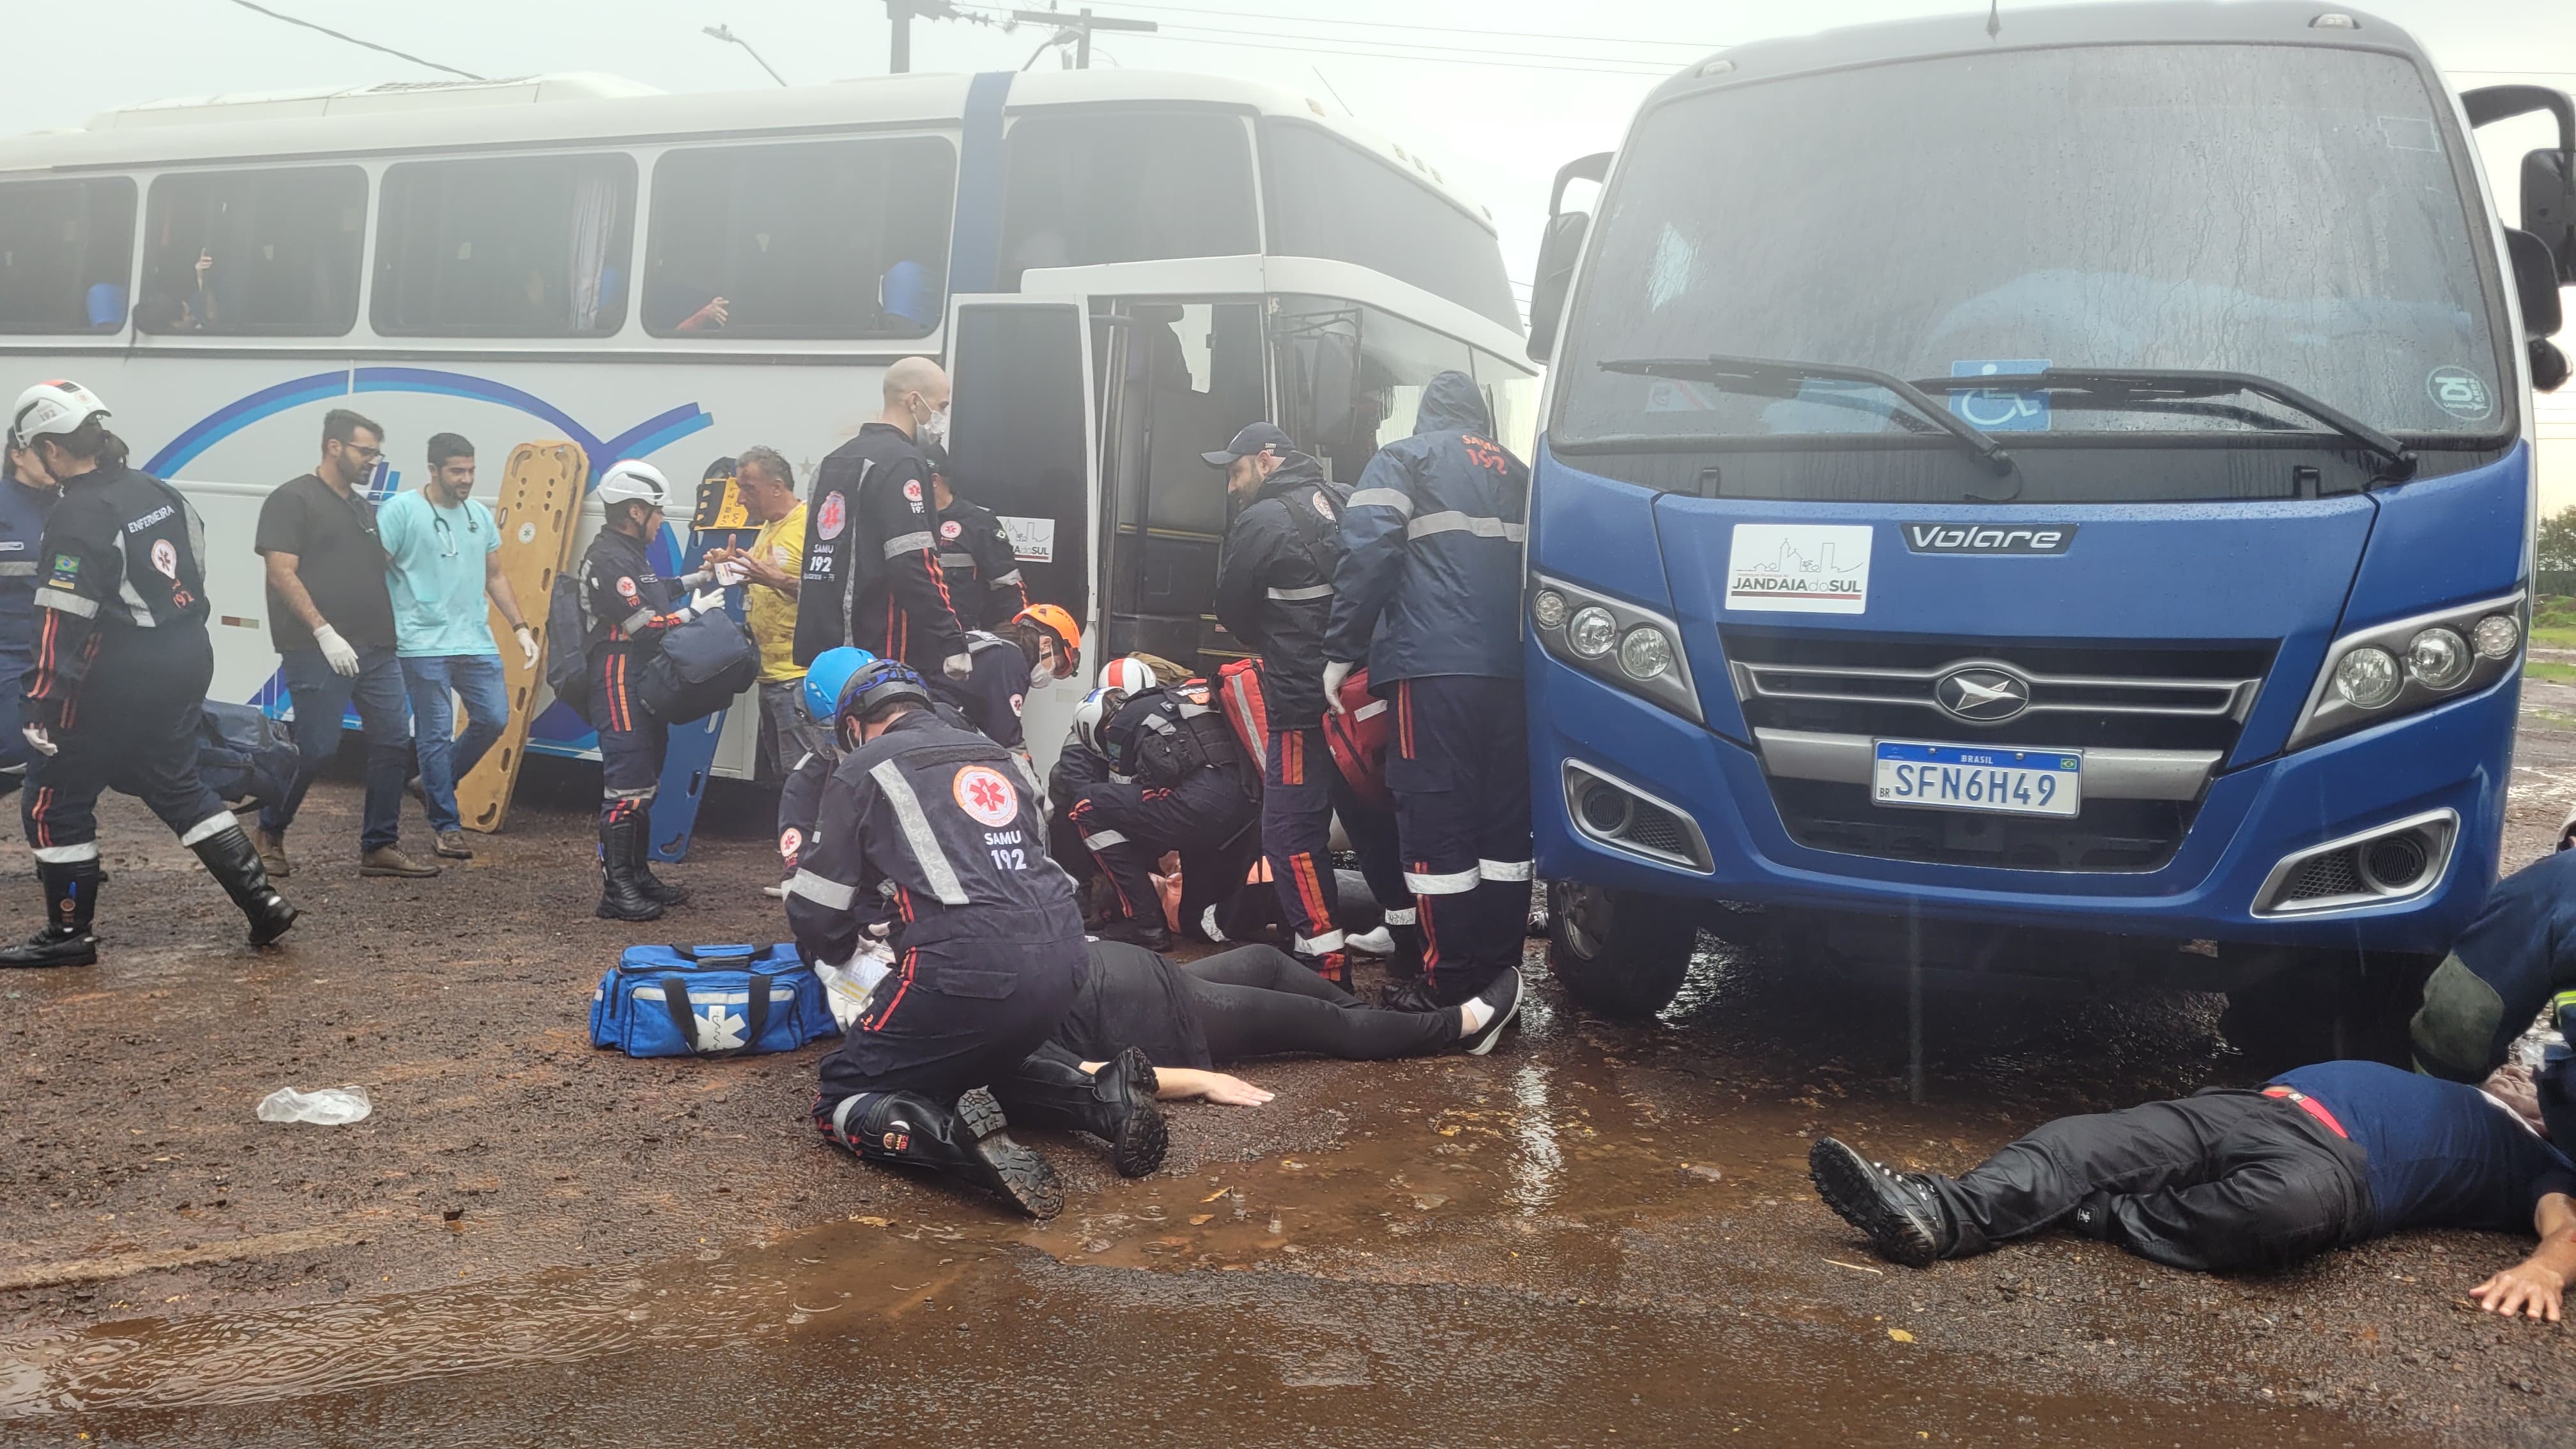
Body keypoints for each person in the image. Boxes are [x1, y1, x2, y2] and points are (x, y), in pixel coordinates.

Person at [1809, 1060, 2576, 1317]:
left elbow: (2563, 1222)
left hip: (2338, 1168)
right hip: (2250, 1105)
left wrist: (2546, 1268)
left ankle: (2092, 1214)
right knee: (2087, 1138)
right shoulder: (2474, 1085)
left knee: (2282, 1211)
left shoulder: (2534, 1158)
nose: (2534, 1084)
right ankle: (1938, 1213)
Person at [786, 657, 1101, 1218]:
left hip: (962, 965)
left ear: (855, 725)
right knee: (972, 1064)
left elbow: (818, 905)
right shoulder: (1001, 756)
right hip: (1068, 951)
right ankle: (1105, 1101)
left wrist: (839, 951)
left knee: (841, 1093)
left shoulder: (862, 767)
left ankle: (959, 1147)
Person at [1, 382, 297, 968]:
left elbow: (64, 616)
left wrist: (40, 699)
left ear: (55, 450)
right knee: (176, 782)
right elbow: (196, 555)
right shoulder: (154, 489)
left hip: (115, 673)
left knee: (54, 797)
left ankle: (68, 934)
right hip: (187, 652)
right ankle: (263, 900)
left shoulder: (78, 512)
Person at [1323, 371, 1532, 1009]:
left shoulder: (1405, 458)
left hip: (1432, 666)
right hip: (1519, 672)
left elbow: (1367, 554)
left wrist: (1341, 649)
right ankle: (1501, 981)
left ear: (1427, 414)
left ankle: (1447, 986)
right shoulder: (1523, 475)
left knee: (1438, 818)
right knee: (1503, 834)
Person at [253, 409, 440, 880]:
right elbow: (281, 572)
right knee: (317, 748)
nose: (372, 461)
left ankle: (379, 846)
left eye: (377, 454)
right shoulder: (291, 499)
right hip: (316, 648)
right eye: (365, 451)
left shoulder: (361, 509)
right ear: (334, 446)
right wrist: (323, 630)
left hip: (375, 647)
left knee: (395, 741)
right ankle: (269, 832)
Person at [1207, 421, 1362, 985]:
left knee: (1291, 832)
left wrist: (1271, 642)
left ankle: (1326, 961)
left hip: (1301, 701)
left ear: (1267, 460)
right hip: (1365, 696)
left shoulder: (1262, 520)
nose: (1232, 487)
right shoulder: (1347, 498)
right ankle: (1410, 939)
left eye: (1236, 471)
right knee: (1374, 817)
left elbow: (1232, 607)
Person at [376, 433, 536, 861]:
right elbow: (375, 570)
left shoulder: (478, 516)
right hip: (420, 641)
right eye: (457, 471)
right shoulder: (401, 512)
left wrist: (520, 626)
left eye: (470, 470)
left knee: (493, 718)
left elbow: (496, 575)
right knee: (434, 732)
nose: (465, 479)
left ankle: (431, 783)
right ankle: (447, 826)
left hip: (473, 639)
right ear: (433, 470)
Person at [578, 460, 724, 921]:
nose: (663, 521)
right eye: (658, 512)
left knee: (646, 781)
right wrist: (693, 615)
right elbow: (642, 625)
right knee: (627, 786)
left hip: (640, 676)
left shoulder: (626, 553)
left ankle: (637, 874)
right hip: (616, 675)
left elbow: (652, 591)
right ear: (636, 511)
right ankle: (616, 890)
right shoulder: (607, 558)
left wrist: (701, 579)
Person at [1049, 940, 1521, 1075]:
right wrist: (1196, 1082)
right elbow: (1075, 1070)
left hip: (1155, 978)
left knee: (1266, 960)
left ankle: (1386, 1027)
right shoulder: (986, 1025)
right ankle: (1461, 1028)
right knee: (1325, 1024)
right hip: (1160, 1020)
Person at [793, 356, 971, 680]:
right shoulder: (904, 462)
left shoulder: (833, 460)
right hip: (879, 651)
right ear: (914, 401)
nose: (942, 418)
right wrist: (951, 640)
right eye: (941, 406)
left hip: (827, 654)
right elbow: (914, 562)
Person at [1065, 678, 1259, 953]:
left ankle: (1145, 925)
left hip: (1201, 808)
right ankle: (1274, 906)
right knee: (1197, 923)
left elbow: (1131, 815)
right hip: (1248, 814)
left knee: (1086, 804)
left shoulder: (1119, 725)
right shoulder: (1177, 701)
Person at [703, 445, 827, 783]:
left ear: (777, 487)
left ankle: (810, 836)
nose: (741, 499)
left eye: (748, 489)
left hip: (798, 676)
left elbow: (832, 596)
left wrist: (779, 580)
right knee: (784, 776)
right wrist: (732, 572)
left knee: (805, 777)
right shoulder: (770, 526)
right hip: (770, 676)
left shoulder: (812, 526)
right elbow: (763, 587)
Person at [926, 602, 1082, 755]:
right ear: (1046, 645)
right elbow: (1006, 737)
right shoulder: (1011, 660)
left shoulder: (990, 644)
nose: (1052, 674)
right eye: (1058, 666)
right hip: (939, 732)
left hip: (927, 720)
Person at [0, 435, 62, 797]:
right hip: (8, 656)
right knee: (15, 750)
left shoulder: (70, 508)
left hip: (55, 656)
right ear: (17, 455)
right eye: (47, 451)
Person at [923, 443, 1028, 629]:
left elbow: (1008, 589)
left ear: (934, 480)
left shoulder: (979, 522)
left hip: (963, 640)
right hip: (909, 641)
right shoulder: (905, 521)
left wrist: (1020, 638)